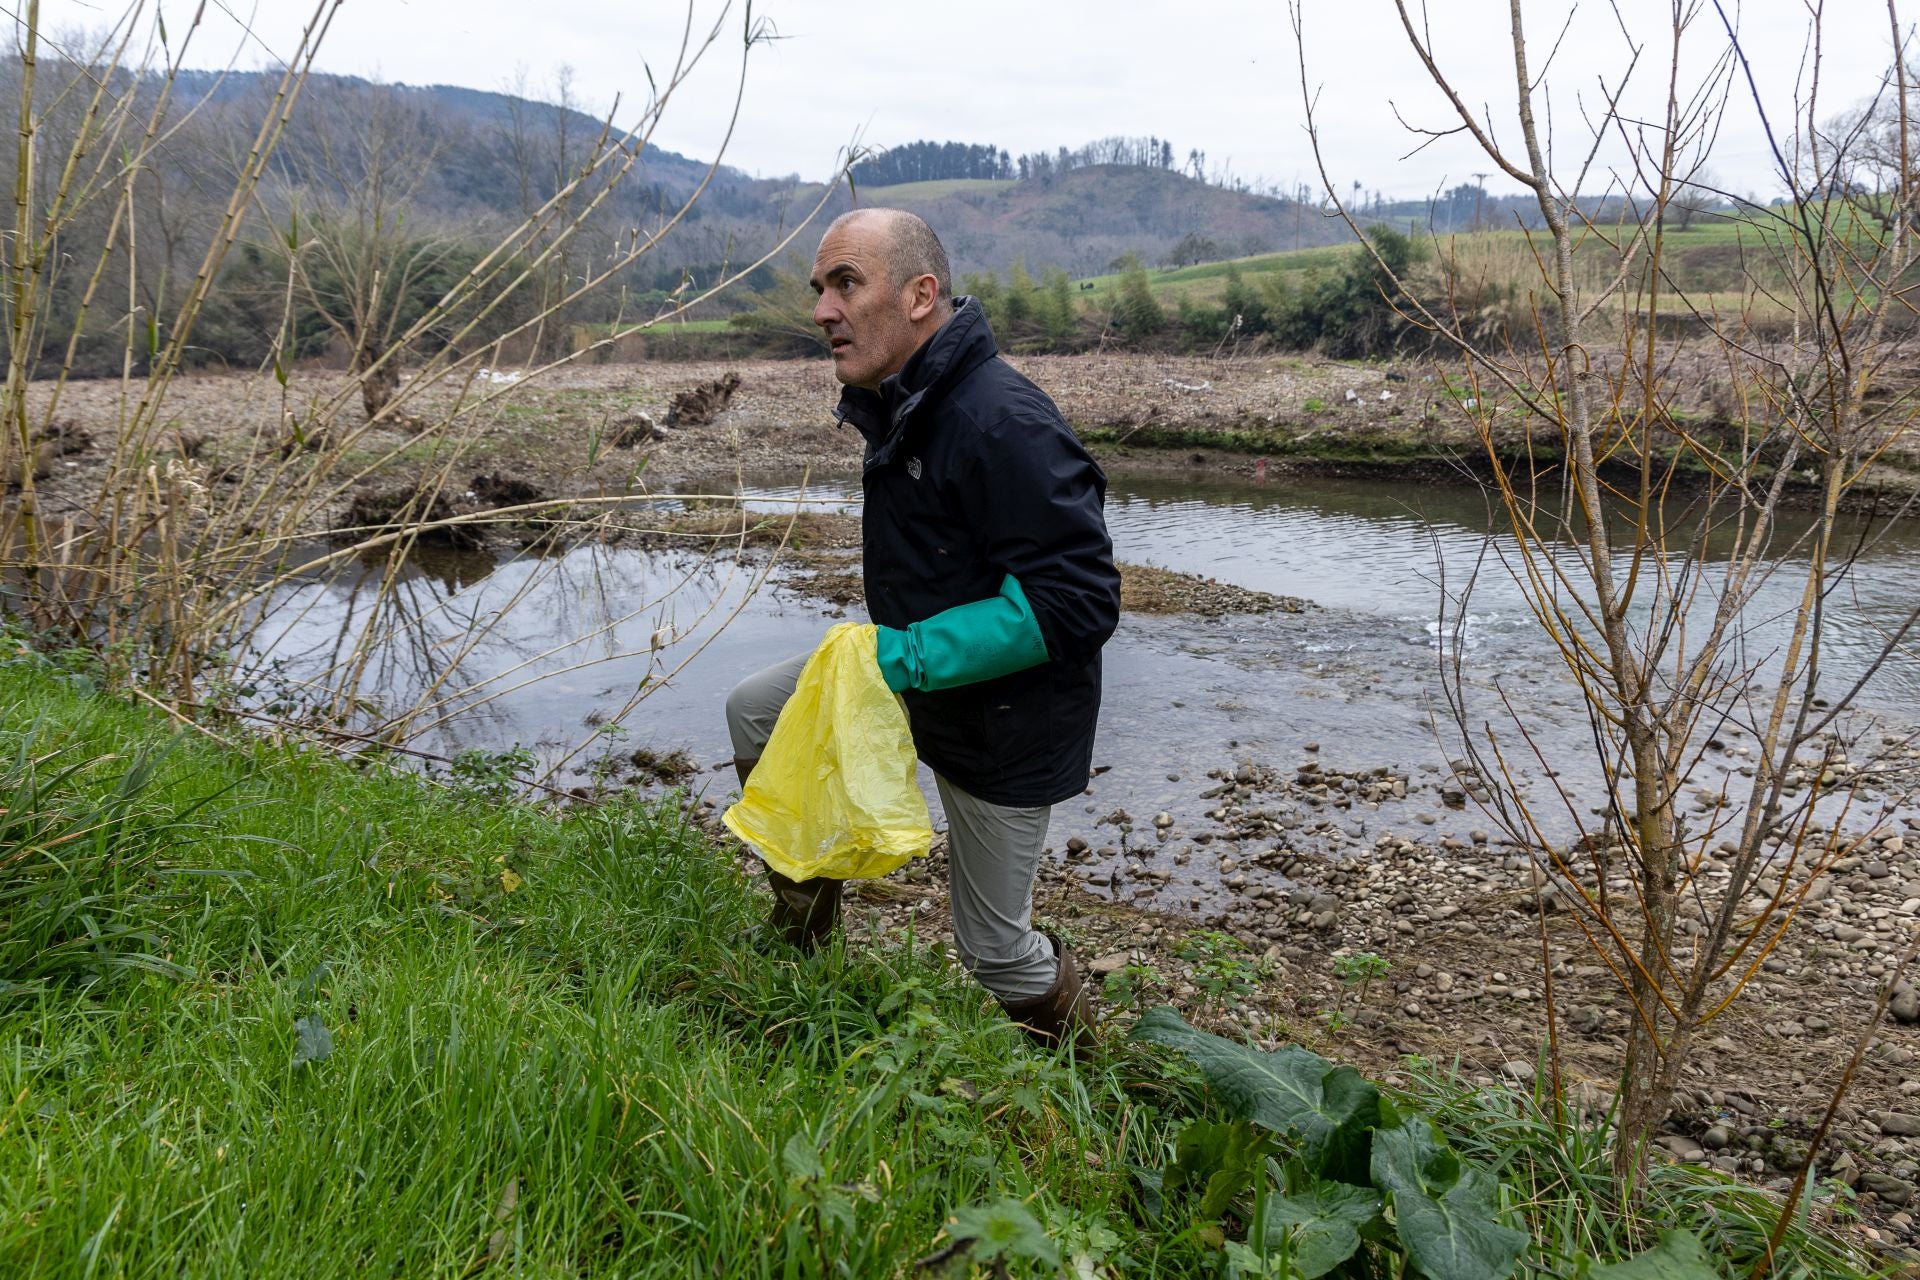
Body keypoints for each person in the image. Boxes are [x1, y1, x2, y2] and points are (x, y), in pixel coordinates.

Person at [724, 208, 1120, 1048]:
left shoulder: (999, 420)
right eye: (819, 289)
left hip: (1007, 720)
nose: (823, 310)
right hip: (918, 682)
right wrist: (896, 664)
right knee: (758, 710)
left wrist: (905, 655)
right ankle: (803, 947)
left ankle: (1102, 1079)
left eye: (846, 284)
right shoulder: (904, 399)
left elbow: (1077, 600)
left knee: (994, 951)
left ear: (919, 296)